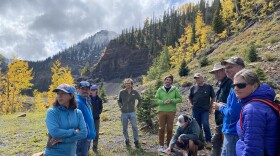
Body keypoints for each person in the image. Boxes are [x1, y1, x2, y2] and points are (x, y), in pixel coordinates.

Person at [234, 69, 279, 156]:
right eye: (234, 85)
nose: (236, 89)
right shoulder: (263, 101)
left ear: (255, 86)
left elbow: (253, 149)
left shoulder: (252, 109)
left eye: (241, 85)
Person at [213, 56, 245, 156]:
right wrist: (226, 105)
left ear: (240, 67)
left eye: (230, 67)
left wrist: (221, 107)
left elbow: (234, 113)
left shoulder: (240, 86)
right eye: (226, 68)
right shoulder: (235, 85)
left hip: (234, 132)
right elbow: (236, 107)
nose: (227, 70)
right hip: (229, 130)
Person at [44, 84, 87, 156]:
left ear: (71, 96)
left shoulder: (78, 113)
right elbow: (55, 133)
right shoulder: (52, 112)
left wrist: (64, 140)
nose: (60, 96)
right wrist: (74, 131)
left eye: (63, 93)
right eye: (58, 93)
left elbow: (84, 133)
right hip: (53, 154)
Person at [209, 63, 232, 156]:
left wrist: (221, 106)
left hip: (227, 120)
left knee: (226, 145)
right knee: (216, 141)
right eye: (215, 72)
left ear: (224, 71)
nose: (216, 74)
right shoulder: (220, 84)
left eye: (219, 71)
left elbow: (233, 103)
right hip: (220, 119)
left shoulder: (230, 83)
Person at [155, 74, 182, 152]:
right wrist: (163, 102)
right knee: (161, 128)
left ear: (172, 82)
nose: (168, 81)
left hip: (171, 111)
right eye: (166, 80)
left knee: (170, 129)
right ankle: (161, 145)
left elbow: (180, 99)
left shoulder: (175, 89)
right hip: (161, 111)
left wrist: (172, 101)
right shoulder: (160, 89)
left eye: (169, 80)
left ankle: (169, 145)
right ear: (164, 81)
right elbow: (156, 100)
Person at [188, 73, 215, 148]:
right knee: (197, 126)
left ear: (202, 78)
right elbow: (190, 97)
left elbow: (213, 97)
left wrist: (211, 108)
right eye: (196, 78)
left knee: (205, 124)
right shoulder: (193, 88)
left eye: (198, 78)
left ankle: (208, 141)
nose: (197, 79)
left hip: (205, 110)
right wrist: (191, 104)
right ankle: (200, 141)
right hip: (195, 109)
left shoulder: (208, 87)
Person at [118, 78, 142, 148]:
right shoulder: (121, 92)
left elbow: (140, 99)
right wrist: (121, 106)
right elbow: (119, 100)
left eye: (129, 83)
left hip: (132, 112)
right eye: (126, 83)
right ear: (124, 84)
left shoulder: (135, 92)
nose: (127, 85)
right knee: (124, 128)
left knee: (134, 127)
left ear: (131, 84)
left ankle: (136, 141)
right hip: (124, 112)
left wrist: (138, 107)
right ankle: (126, 140)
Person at [76, 81, 96, 156]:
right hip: (82, 139)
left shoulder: (86, 100)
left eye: (87, 89)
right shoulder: (78, 102)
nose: (85, 91)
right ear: (78, 90)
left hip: (87, 137)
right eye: (83, 89)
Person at [89, 85, 103, 154]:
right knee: (88, 133)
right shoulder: (88, 98)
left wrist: (98, 112)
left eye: (94, 90)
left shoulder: (99, 99)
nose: (93, 91)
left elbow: (101, 108)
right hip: (89, 119)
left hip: (96, 119)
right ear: (90, 91)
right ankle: (87, 148)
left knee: (96, 134)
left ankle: (95, 147)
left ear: (96, 91)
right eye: (92, 90)